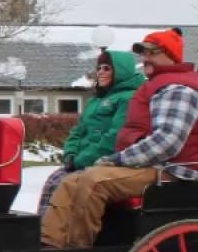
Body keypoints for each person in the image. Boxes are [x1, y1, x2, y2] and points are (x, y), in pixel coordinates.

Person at [41, 28, 198, 249]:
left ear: (171, 55)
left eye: (152, 52)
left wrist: (117, 159)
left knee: (94, 181)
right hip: (150, 165)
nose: (145, 58)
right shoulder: (159, 85)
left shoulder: (180, 89)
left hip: (172, 169)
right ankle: (48, 249)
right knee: (69, 182)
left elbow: (166, 142)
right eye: (143, 53)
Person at [35, 49, 144, 214]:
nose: (100, 72)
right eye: (99, 68)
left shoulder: (128, 98)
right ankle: (44, 232)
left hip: (104, 162)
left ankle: (57, 234)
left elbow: (113, 137)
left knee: (62, 186)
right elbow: (78, 131)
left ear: (121, 71)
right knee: (53, 181)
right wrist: (70, 154)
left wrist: (81, 161)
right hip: (81, 162)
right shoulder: (96, 100)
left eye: (107, 68)